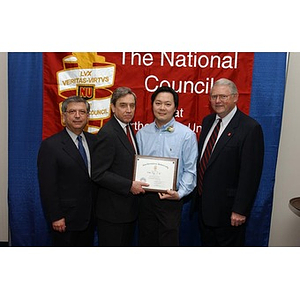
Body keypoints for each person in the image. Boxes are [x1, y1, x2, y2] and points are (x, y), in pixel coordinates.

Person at [193, 78, 264, 246]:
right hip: (204, 209)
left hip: (229, 214)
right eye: (214, 96)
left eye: (223, 96)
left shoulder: (250, 128)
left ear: (235, 97)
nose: (218, 101)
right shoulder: (208, 121)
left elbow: (250, 174)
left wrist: (239, 210)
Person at [136, 86, 198, 246]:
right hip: (145, 199)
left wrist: (180, 193)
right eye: (158, 103)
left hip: (171, 200)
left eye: (167, 104)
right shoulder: (142, 133)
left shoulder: (186, 135)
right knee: (145, 242)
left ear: (176, 108)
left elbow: (190, 170)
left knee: (168, 243)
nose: (162, 108)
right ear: (152, 105)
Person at [37, 95, 97, 246]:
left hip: (90, 217)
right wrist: (56, 216)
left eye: (82, 112)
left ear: (88, 116)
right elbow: (47, 186)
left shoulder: (94, 141)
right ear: (64, 116)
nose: (77, 116)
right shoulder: (50, 146)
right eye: (72, 112)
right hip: (65, 220)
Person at [92, 87, 148, 246]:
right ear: (113, 107)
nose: (129, 110)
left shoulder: (127, 128)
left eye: (132, 105)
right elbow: (98, 173)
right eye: (123, 105)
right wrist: (129, 185)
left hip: (127, 210)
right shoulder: (108, 133)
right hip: (112, 214)